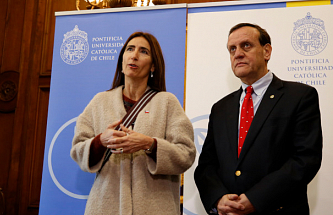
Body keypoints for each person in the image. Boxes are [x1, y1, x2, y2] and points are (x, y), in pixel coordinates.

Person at [194, 23, 322, 215]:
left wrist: (256, 199)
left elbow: (305, 160)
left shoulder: (300, 96)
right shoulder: (220, 108)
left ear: (267, 51)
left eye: (246, 45)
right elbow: (206, 166)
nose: (237, 53)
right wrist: (218, 198)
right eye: (232, 49)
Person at [71, 32, 196, 214]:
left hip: (156, 208)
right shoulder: (100, 101)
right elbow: (77, 149)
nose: (134, 55)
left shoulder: (167, 102)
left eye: (143, 51)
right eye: (130, 49)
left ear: (153, 66)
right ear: (122, 59)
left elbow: (186, 154)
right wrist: (101, 141)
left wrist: (150, 144)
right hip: (105, 207)